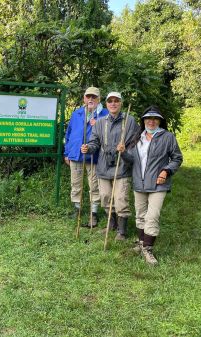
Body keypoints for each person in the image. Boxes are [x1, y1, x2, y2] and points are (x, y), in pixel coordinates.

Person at [117, 106, 183, 265]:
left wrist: (166, 171)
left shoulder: (167, 137)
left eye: (155, 118)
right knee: (140, 216)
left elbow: (177, 158)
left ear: (160, 121)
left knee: (152, 217)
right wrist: (123, 152)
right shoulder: (137, 137)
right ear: (144, 121)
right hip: (139, 182)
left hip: (159, 183)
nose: (151, 121)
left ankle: (148, 249)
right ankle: (141, 244)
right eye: (148, 118)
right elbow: (132, 160)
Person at [81, 92, 140, 240]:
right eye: (110, 101)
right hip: (103, 165)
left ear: (121, 103)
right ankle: (111, 224)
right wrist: (88, 147)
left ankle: (122, 231)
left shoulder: (130, 121)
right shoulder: (100, 122)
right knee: (105, 197)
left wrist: (125, 152)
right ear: (106, 104)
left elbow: (135, 143)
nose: (113, 103)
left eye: (116, 101)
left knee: (120, 198)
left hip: (122, 165)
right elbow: (94, 142)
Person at [64, 86, 108, 227]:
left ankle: (93, 213)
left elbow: (110, 136)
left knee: (94, 185)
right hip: (75, 155)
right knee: (75, 184)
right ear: (84, 98)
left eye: (94, 97)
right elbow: (69, 134)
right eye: (88, 96)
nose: (90, 99)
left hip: (94, 157)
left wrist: (99, 125)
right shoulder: (77, 113)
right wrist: (66, 152)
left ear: (98, 99)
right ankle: (77, 209)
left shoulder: (105, 114)